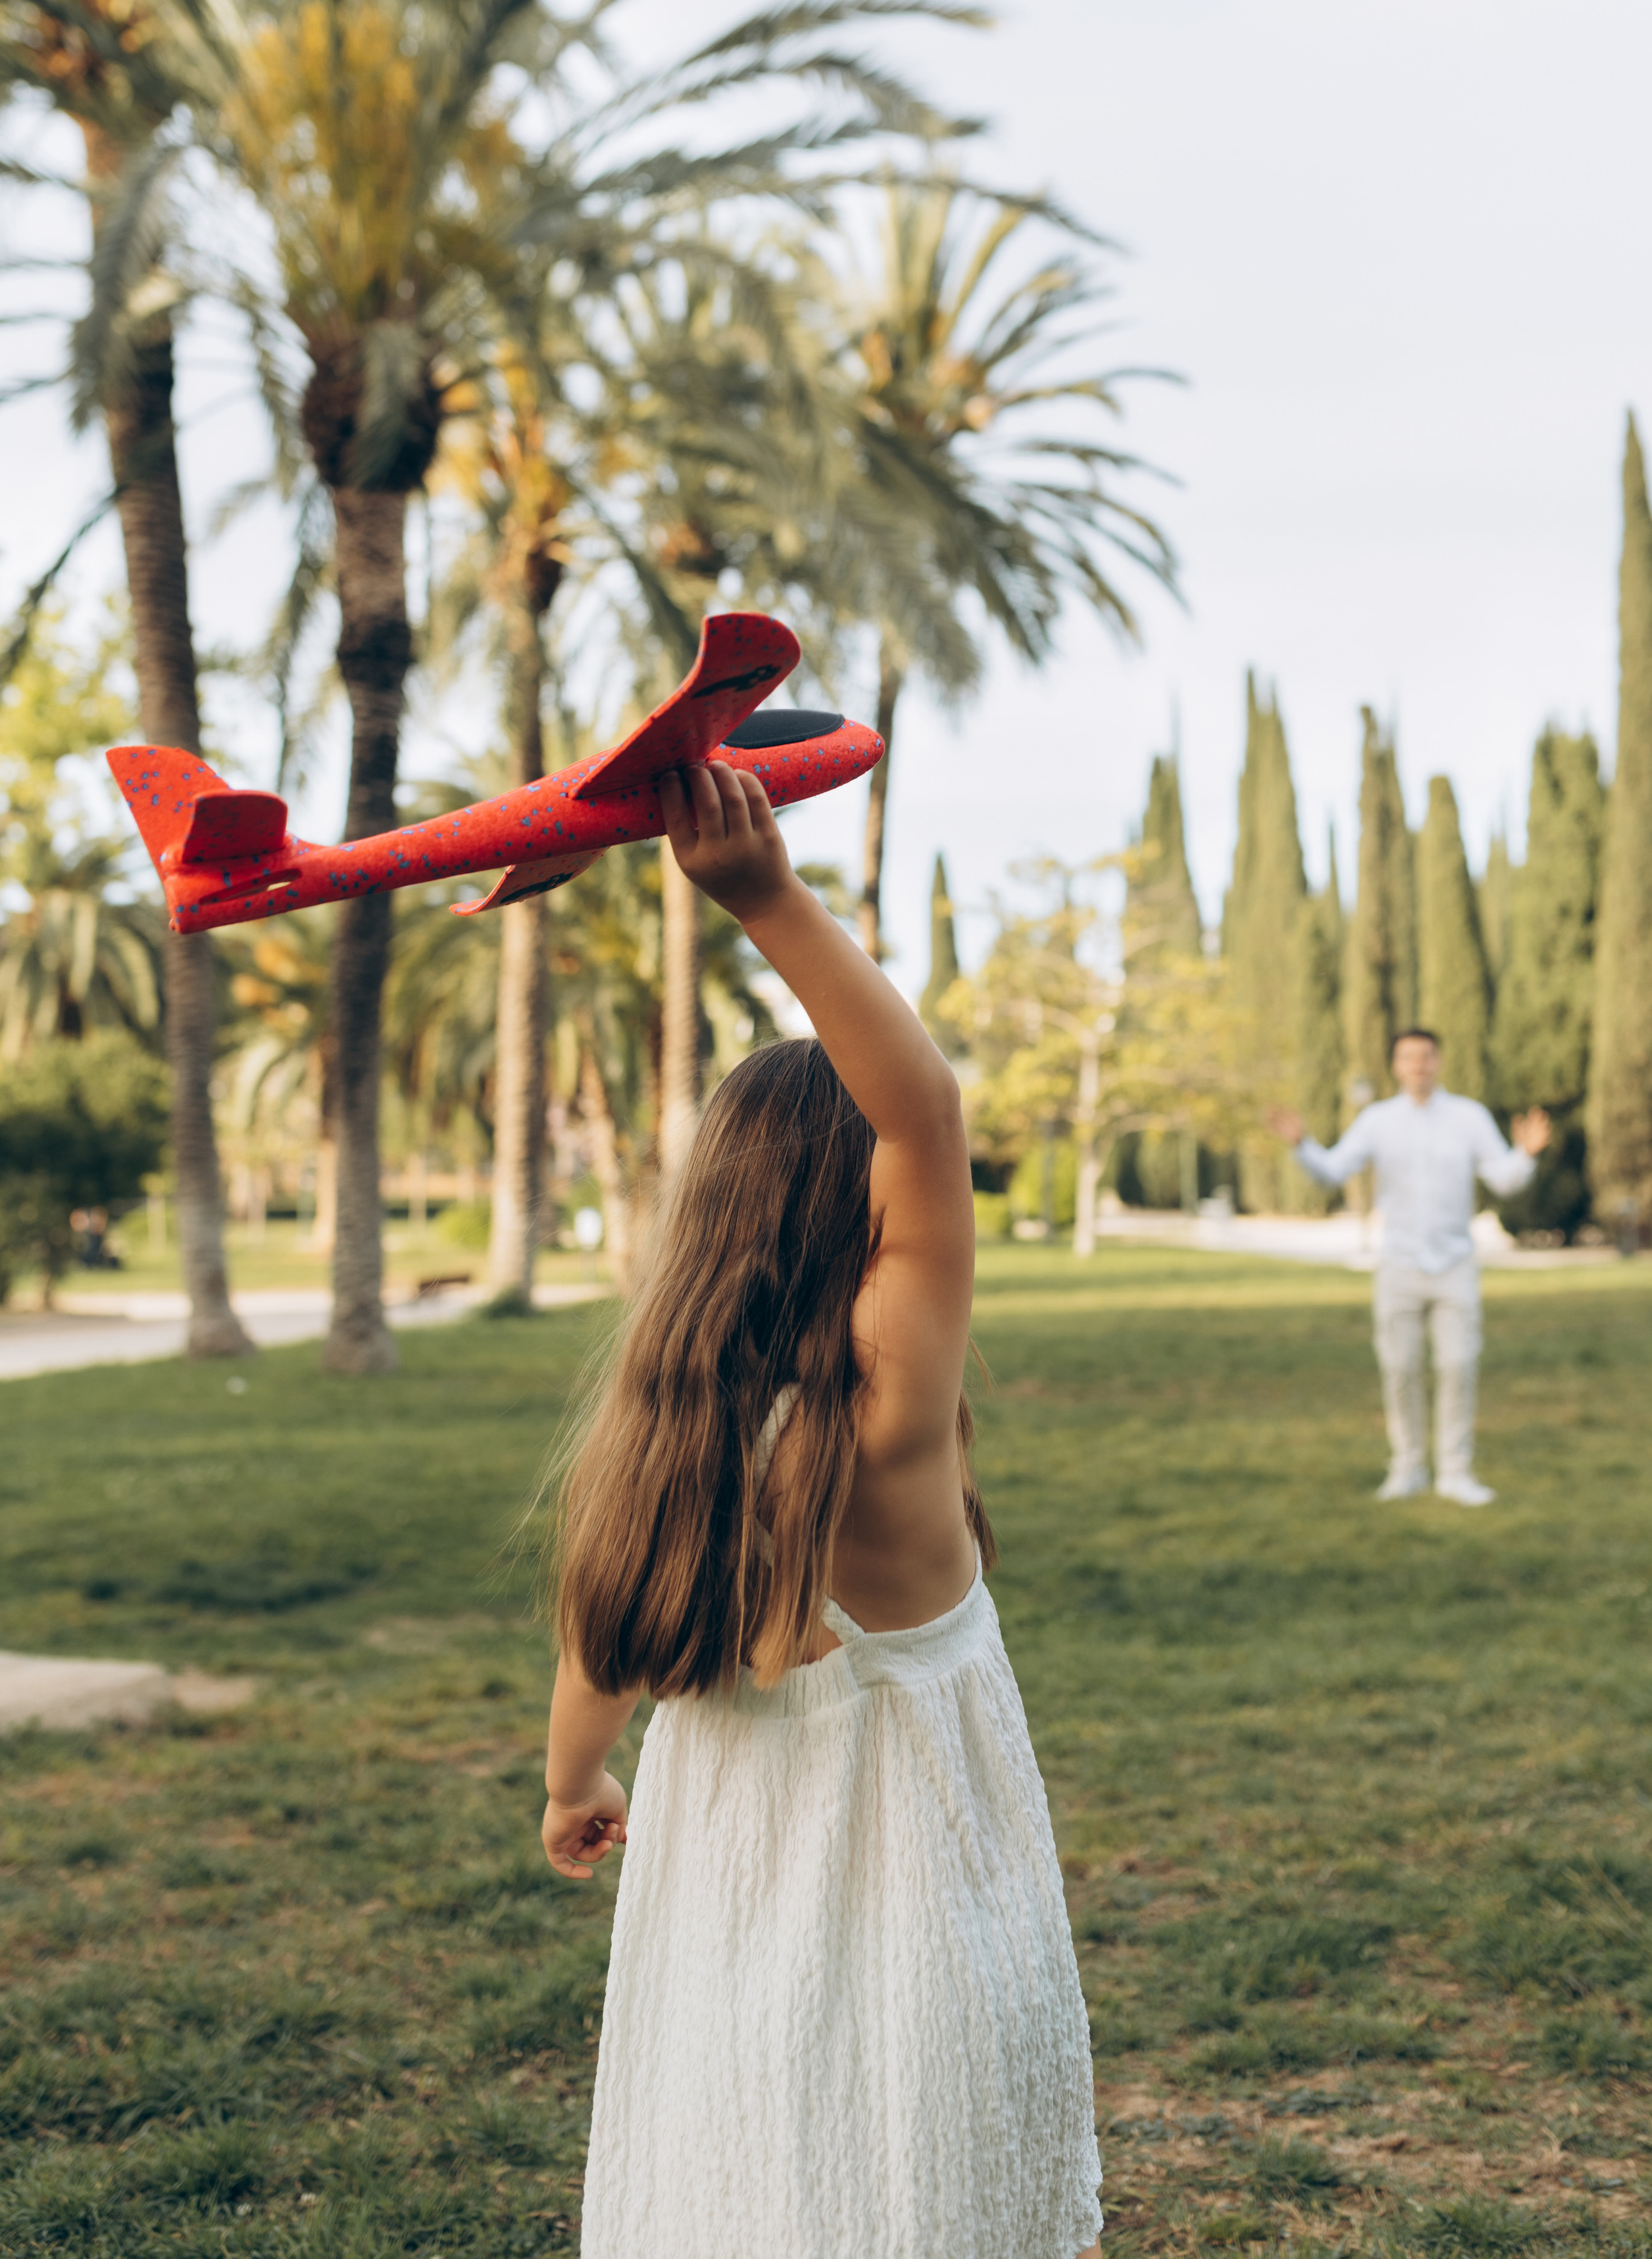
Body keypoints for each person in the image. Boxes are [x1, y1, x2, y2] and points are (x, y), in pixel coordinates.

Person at [540, 758, 1103, 2259]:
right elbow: (917, 1107)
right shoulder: (886, 1397)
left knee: (749, 2129)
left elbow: (603, 1632)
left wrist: (570, 1783)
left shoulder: (677, 1426)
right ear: (868, 1202)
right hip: (917, 1862)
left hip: (725, 1856)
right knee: (923, 2144)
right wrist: (765, 897)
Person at [1267, 1028, 1549, 1506]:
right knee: (1400, 1370)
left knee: (1458, 1366)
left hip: (1455, 1266)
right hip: (1397, 1266)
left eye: (1426, 1056)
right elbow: (1334, 1170)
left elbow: (1503, 1179)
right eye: (1408, 1057)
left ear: (1438, 1062)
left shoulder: (1468, 1117)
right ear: (1396, 1066)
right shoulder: (1377, 1121)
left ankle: (1456, 1473)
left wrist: (1525, 1155)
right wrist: (1303, 1146)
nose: (1418, 1065)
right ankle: (1408, 1468)